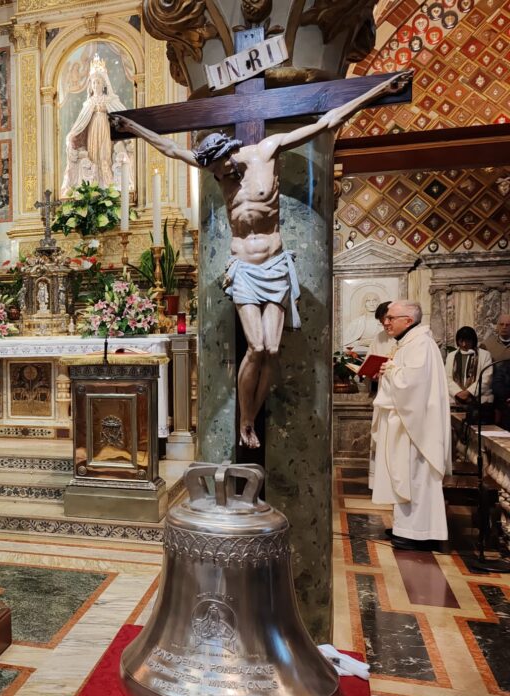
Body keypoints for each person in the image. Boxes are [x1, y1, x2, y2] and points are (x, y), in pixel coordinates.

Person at [113, 70, 411, 448]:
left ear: (230, 154)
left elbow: (327, 121)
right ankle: (246, 420)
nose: (220, 177)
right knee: (256, 347)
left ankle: (251, 417)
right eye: (214, 173)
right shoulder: (215, 169)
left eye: (222, 169)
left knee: (271, 349)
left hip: (274, 263)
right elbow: (170, 148)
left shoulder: (267, 151)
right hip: (243, 267)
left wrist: (378, 90)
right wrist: (133, 127)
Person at [370, 301, 451, 549]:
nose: (386, 322)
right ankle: (405, 527)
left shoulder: (421, 344)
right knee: (404, 476)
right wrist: (387, 371)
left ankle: (420, 533)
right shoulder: (408, 342)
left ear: (408, 320)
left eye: (391, 318)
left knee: (416, 477)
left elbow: (413, 384)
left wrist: (390, 370)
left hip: (417, 427)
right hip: (405, 422)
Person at [60, 55, 134, 197]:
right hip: (93, 130)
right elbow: (81, 122)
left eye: (98, 82)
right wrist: (71, 136)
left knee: (105, 153)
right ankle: (94, 185)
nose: (95, 85)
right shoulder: (88, 103)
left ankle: (107, 183)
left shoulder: (109, 99)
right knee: (93, 154)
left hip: (105, 129)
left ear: (104, 84)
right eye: (93, 82)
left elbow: (121, 113)